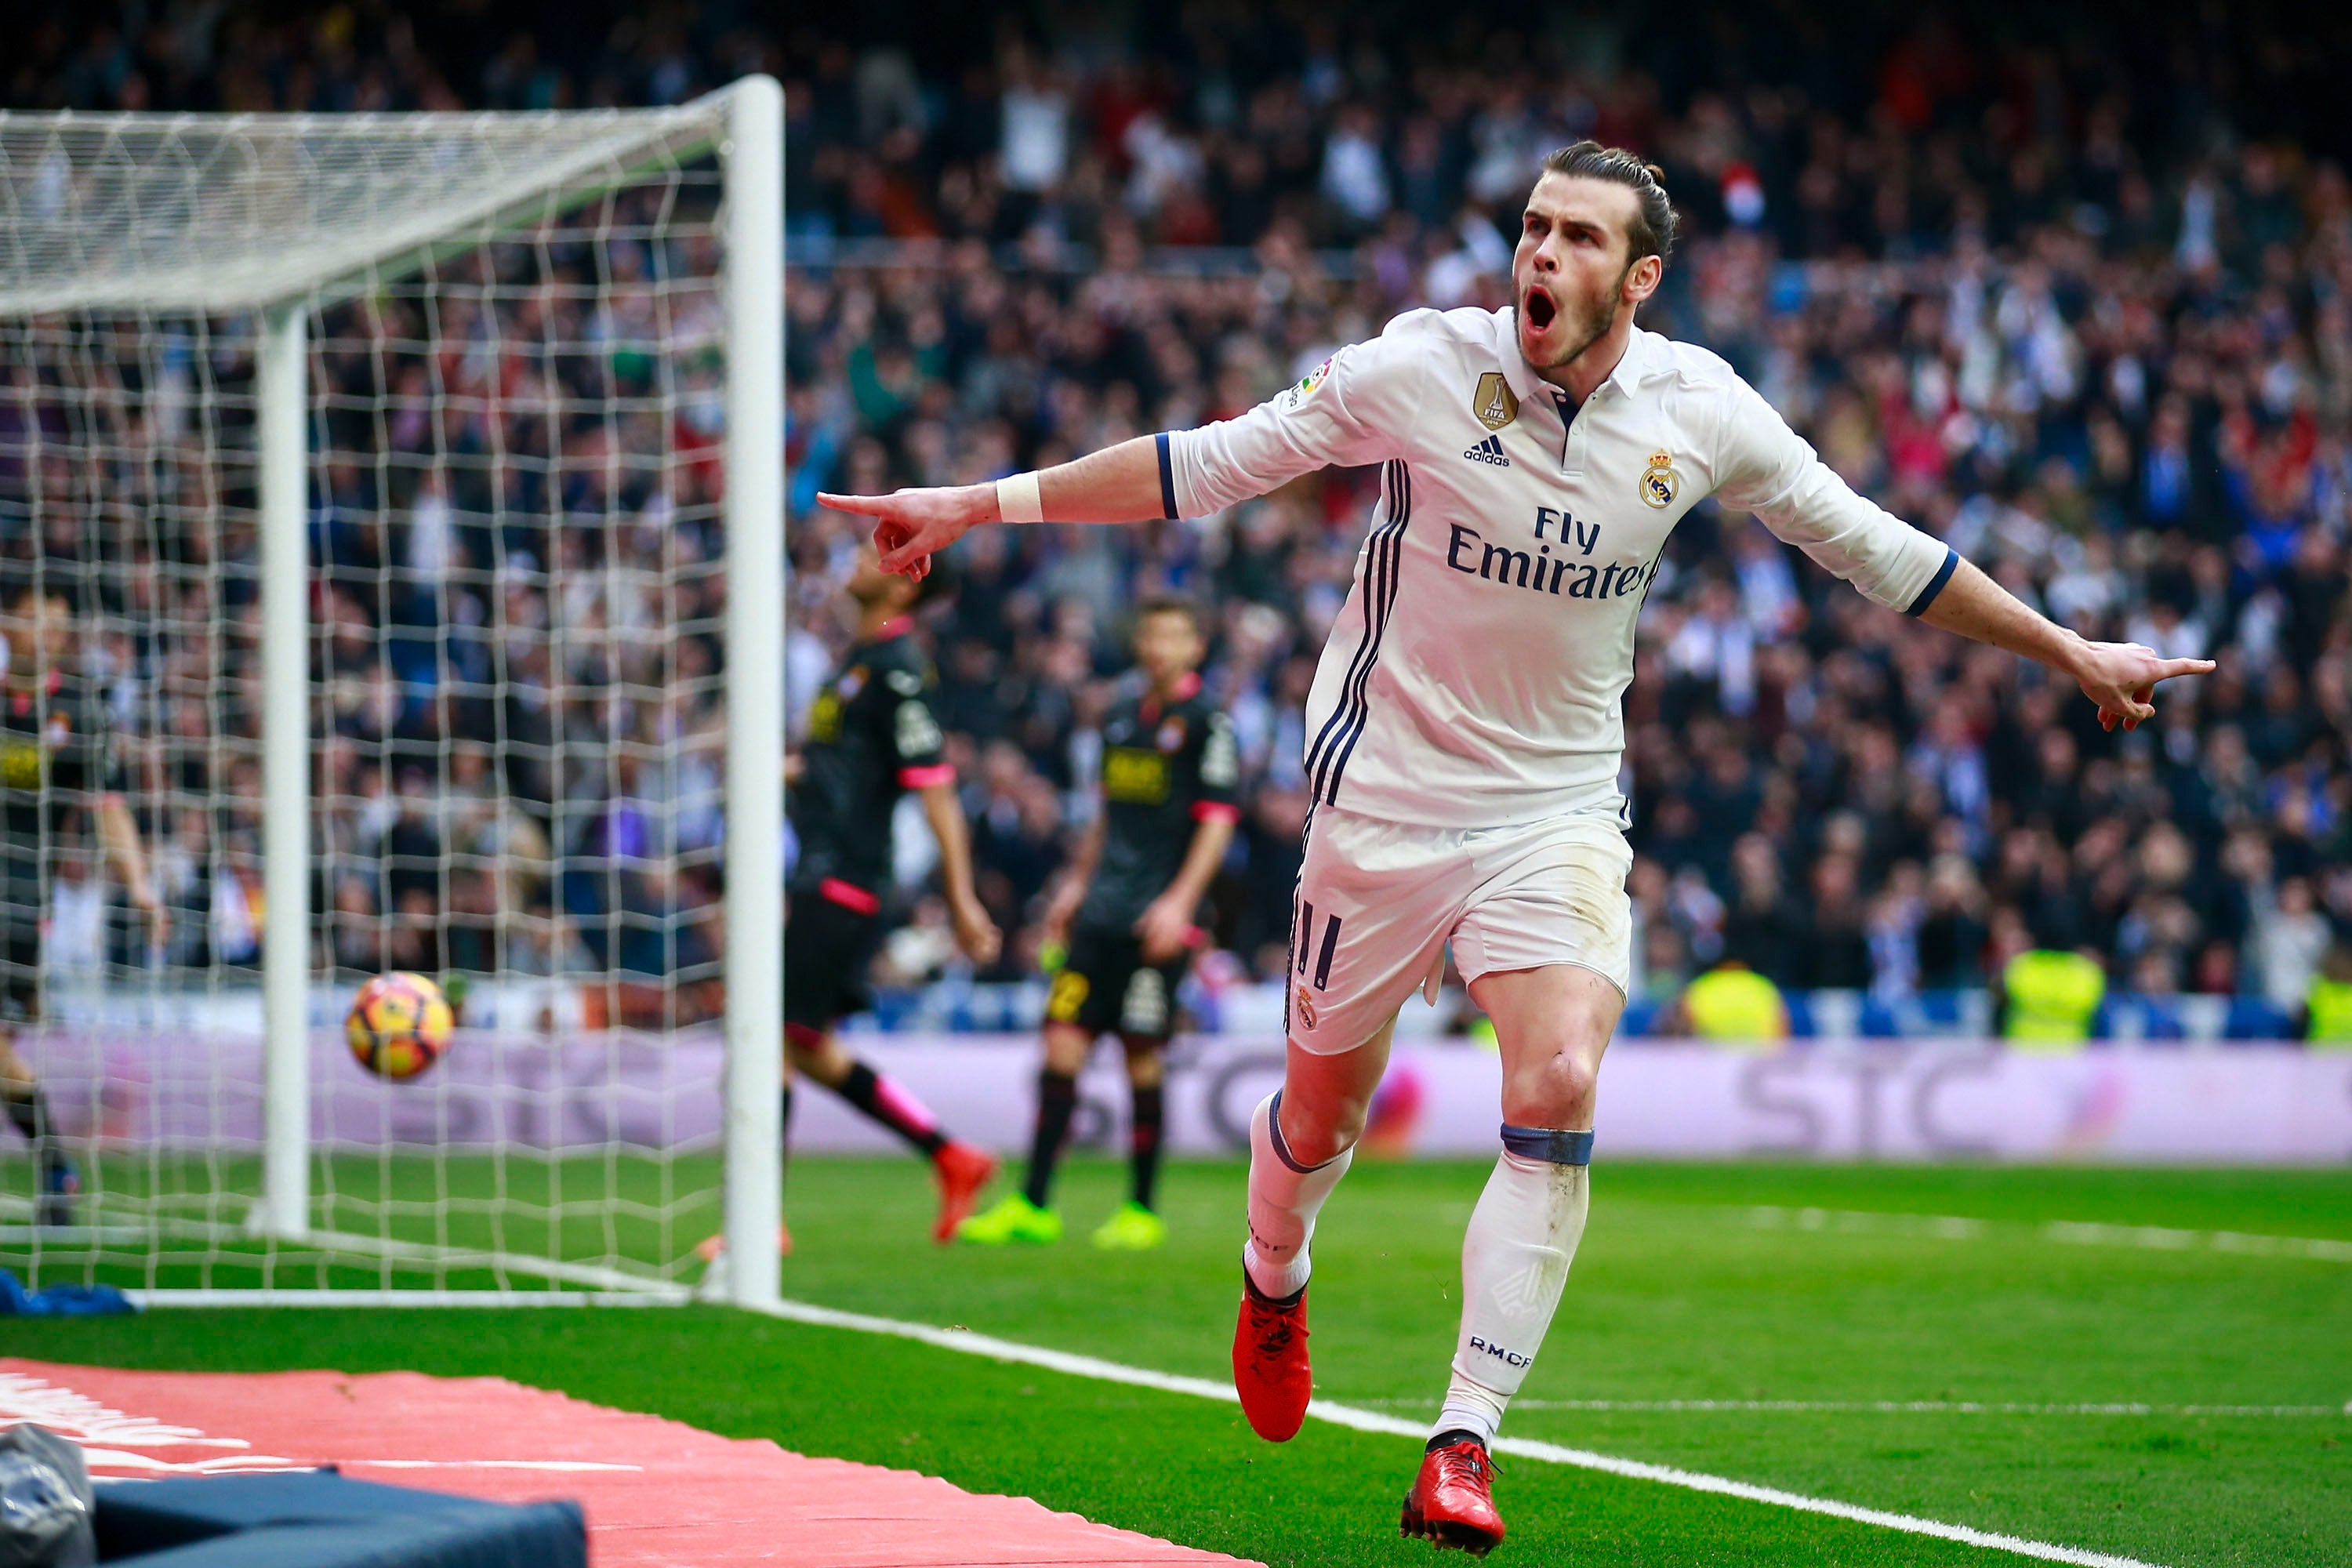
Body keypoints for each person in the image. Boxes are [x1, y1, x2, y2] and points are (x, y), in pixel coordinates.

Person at [820, 141, 2212, 1553]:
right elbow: (1206, 469)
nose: (1539, 256)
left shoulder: (1700, 408)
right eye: (1532, 229)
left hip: (1553, 809)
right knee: (1318, 1128)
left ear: (1640, 275)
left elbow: (1874, 547)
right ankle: (1274, 1271)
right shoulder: (1418, 367)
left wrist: (2065, 648)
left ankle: (1463, 1439)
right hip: (1384, 804)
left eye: (1577, 238)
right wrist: (970, 505)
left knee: (1557, 1078)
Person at [709, 543, 1003, 1267]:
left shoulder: (899, 672)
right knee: (807, 1047)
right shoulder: (855, 663)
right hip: (820, 871)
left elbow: (934, 787)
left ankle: (760, 1221)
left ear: (903, 592)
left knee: (766, 1036)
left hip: (843, 880)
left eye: (882, 556)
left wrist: (961, 900)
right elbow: (843, 769)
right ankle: (950, 1154)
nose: (861, 558)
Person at [959, 597, 1241, 1250]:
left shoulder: (1208, 724)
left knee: (1141, 1052)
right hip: (1102, 910)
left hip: (1159, 918)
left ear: (1195, 647)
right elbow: (1109, 813)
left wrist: (1179, 901)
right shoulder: (1119, 717)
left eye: (1172, 635)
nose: (1159, 647)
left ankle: (1141, 1208)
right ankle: (1034, 1204)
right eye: (1150, 634)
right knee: (1061, 1043)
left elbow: (1218, 821)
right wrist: (1075, 886)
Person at [2, 578, 168, 1225]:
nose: (51, 636)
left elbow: (107, 809)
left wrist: (140, 884)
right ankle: (55, 1166)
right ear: (9, 627)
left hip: (15, 900)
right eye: (36, 621)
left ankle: (55, 1167)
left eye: (59, 625)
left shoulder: (78, 710)